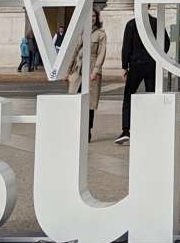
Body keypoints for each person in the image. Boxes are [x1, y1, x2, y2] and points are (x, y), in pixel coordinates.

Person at [119, 15, 169, 144]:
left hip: (136, 64)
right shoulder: (155, 22)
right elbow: (166, 42)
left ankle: (126, 130)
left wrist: (125, 65)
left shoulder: (131, 24)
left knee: (128, 97)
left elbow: (126, 46)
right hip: (152, 65)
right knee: (152, 97)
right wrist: (157, 57)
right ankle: (152, 128)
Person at [66, 9, 107, 143]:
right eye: (90, 16)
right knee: (74, 100)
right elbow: (74, 51)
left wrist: (96, 70)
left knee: (89, 103)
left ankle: (87, 130)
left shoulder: (101, 34)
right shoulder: (81, 32)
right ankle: (75, 128)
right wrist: (68, 71)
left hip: (91, 71)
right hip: (78, 70)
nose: (93, 18)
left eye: (95, 16)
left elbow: (102, 53)